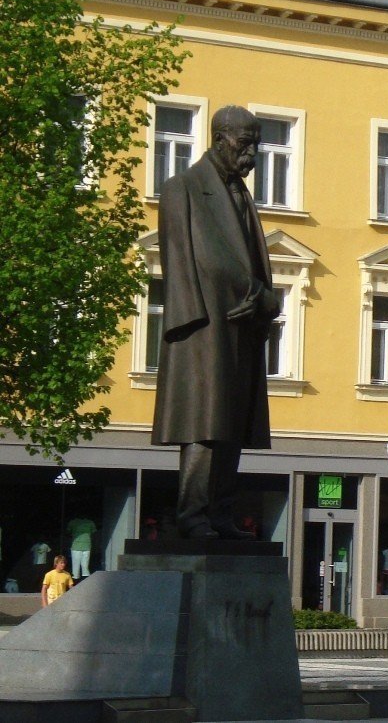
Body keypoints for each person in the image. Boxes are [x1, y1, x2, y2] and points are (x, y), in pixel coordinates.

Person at [151, 106, 280, 539]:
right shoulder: (184, 188)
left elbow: (249, 263)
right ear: (220, 139)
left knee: (231, 428)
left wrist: (265, 301)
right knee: (204, 426)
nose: (252, 155)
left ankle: (220, 515)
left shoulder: (241, 195)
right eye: (245, 144)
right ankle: (193, 516)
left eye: (256, 145)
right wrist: (259, 293)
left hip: (242, 326)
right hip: (204, 326)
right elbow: (208, 260)